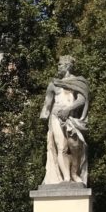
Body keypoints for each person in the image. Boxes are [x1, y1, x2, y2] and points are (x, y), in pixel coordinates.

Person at [39, 55, 89, 186]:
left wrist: (69, 109)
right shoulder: (53, 84)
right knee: (61, 147)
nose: (58, 67)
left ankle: (74, 173)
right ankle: (66, 178)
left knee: (75, 146)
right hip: (56, 116)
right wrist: (44, 113)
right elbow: (48, 102)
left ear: (67, 66)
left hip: (70, 118)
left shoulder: (77, 82)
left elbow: (82, 99)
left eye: (60, 65)